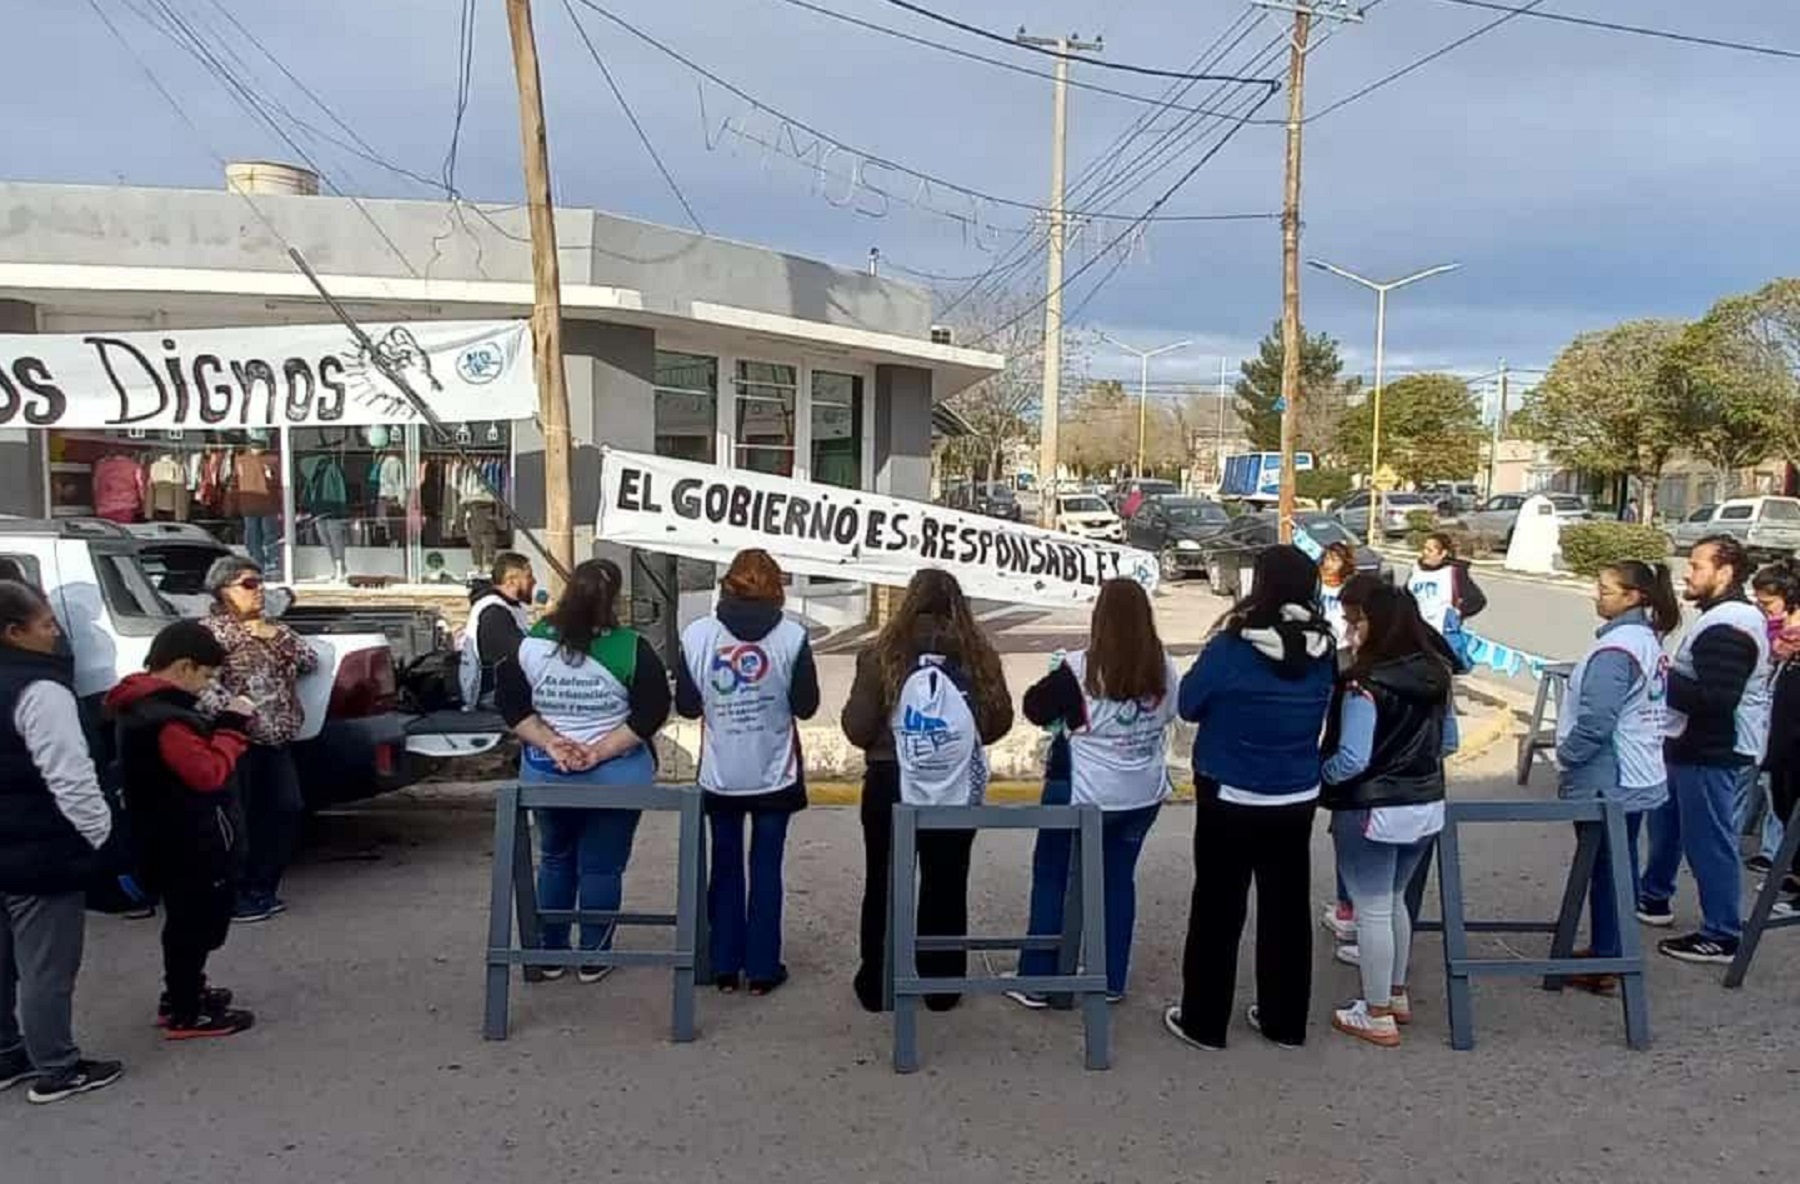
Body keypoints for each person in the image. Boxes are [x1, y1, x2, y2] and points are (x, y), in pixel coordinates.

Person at [1164, 545, 1336, 1052]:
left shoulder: (1233, 646)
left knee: (1218, 905)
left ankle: (1204, 1020)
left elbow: (1190, 705)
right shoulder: (1324, 650)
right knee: (1287, 908)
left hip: (1230, 789)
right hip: (1296, 792)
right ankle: (1285, 1021)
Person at [842, 569, 1012, 1014]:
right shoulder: (979, 656)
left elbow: (857, 727)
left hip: (889, 781)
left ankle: (877, 983)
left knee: (883, 879)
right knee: (947, 880)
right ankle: (941, 983)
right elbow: (998, 723)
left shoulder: (881, 655)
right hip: (955, 783)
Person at [496, 558, 671, 983]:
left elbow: (512, 705)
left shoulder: (533, 642)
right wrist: (600, 751)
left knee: (554, 859)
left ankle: (551, 951)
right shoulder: (632, 648)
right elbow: (651, 711)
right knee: (601, 867)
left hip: (547, 773)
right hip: (617, 776)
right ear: (614, 600)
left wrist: (550, 742)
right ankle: (594, 954)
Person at [1007, 579, 1178, 1008]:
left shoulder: (1079, 668)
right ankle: (1108, 978)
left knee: (1053, 877)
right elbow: (1174, 712)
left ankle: (1039, 978)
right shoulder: (1164, 666)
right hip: (1141, 794)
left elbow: (1034, 708)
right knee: (1117, 882)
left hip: (1085, 793)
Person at [673, 550, 820, 995]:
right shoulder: (792, 636)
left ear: (728, 584)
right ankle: (761, 968)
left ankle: (723, 964)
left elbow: (686, 706)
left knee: (725, 863)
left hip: (721, 770)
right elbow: (806, 706)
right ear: (777, 586)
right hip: (775, 768)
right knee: (767, 866)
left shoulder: (697, 635)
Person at [105, 620, 259, 1039]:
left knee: (187, 921)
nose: (208, 685)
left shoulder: (139, 706)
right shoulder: (166, 719)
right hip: (191, 838)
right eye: (207, 675)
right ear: (184, 666)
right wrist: (231, 729)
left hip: (164, 834)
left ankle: (184, 992)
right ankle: (186, 1010)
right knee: (197, 924)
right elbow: (206, 774)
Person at [0, 580, 123, 1104]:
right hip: (41, 845)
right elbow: (70, 776)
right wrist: (101, 837)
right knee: (47, 963)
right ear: (13, 632)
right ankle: (58, 1065)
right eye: (45, 624)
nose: (56, 634)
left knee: (2, 958)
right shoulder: (40, 690)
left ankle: (7, 1053)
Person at [1320, 585, 1453, 1047]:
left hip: (1372, 804)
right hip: (1425, 801)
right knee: (1395, 900)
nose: (1351, 630)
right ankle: (1393, 994)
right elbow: (1448, 742)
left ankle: (1376, 1013)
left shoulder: (1364, 683)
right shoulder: (1437, 674)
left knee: (1372, 906)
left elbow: (1352, 758)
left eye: (1358, 622)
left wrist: (1325, 777)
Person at [1638, 535, 1772, 964]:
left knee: (1709, 841)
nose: (1687, 574)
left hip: (1713, 751)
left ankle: (1721, 933)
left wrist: (1659, 676)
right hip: (1687, 746)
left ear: (1725, 572)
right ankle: (1653, 897)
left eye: (1696, 566)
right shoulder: (1718, 618)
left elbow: (1715, 698)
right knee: (1667, 828)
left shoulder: (1729, 626)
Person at [1554, 561, 1680, 995]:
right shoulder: (1644, 639)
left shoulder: (1616, 650)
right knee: (1614, 864)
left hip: (1610, 774)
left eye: (1606, 590)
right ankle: (1608, 946)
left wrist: (1566, 757)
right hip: (1636, 770)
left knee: (1606, 867)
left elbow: (1596, 722)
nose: (1596, 595)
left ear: (1634, 597)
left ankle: (1609, 955)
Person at [198, 556, 318, 923]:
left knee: (286, 808)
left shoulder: (273, 631)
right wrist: (233, 713)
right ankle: (235, 894)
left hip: (277, 739)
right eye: (248, 585)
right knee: (239, 819)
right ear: (223, 592)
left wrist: (275, 636)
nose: (259, 591)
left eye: (261, 583)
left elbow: (310, 660)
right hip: (236, 742)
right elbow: (199, 683)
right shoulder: (211, 634)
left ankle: (263, 887)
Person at [1743, 561, 1800, 877]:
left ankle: (1779, 858)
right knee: (1775, 793)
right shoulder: (1777, 630)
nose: (1762, 610)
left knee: (1784, 795)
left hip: (1784, 736)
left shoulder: (1790, 636)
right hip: (1770, 726)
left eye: (1767, 604)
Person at [461, 552, 535, 712]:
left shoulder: (511, 607)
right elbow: (519, 653)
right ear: (511, 580)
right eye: (529, 576)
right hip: (492, 698)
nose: (534, 582)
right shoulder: (493, 611)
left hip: (507, 691)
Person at [1405, 532, 1487, 637]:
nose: (1424, 553)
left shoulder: (1454, 573)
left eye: (1430, 550)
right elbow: (1406, 596)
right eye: (1424, 548)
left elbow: (1477, 600)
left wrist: (1457, 613)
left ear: (1443, 553)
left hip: (1440, 635)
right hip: (1414, 630)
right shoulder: (1416, 570)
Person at [1318, 541, 1359, 648]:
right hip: (1319, 645)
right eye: (1326, 559)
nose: (1328, 564)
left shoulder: (1350, 586)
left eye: (1334, 560)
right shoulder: (1315, 582)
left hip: (1343, 645)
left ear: (1344, 563)